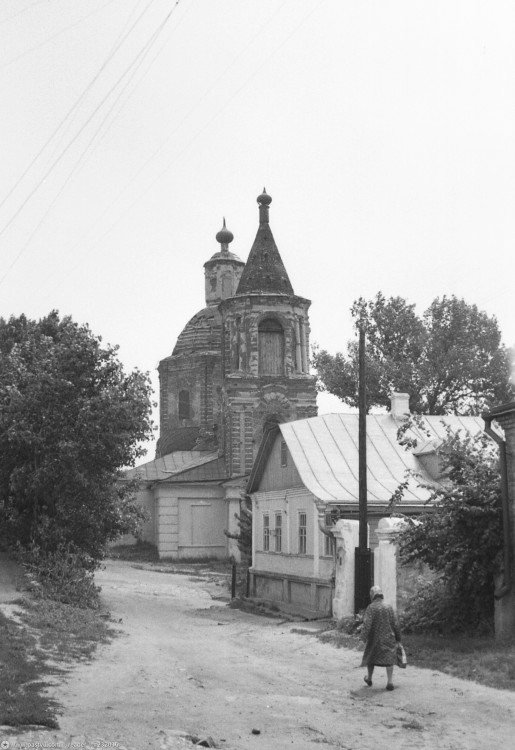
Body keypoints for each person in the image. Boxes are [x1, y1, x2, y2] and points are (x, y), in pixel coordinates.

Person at [361, 585, 402, 691]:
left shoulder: (371, 608)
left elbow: (367, 624)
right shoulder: (389, 607)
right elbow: (395, 624)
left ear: (372, 596)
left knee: (371, 657)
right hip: (388, 637)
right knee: (389, 660)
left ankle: (369, 678)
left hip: (374, 639)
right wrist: (398, 637)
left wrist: (363, 637)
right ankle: (390, 682)